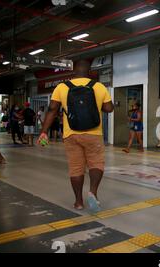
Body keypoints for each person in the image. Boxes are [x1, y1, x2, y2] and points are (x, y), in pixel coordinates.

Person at [37, 59, 114, 211]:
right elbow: (109, 108)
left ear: (73, 72)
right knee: (96, 163)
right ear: (90, 72)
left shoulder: (62, 87)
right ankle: (93, 193)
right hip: (94, 133)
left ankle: (78, 202)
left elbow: (52, 110)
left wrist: (44, 131)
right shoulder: (98, 86)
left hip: (71, 134)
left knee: (76, 168)